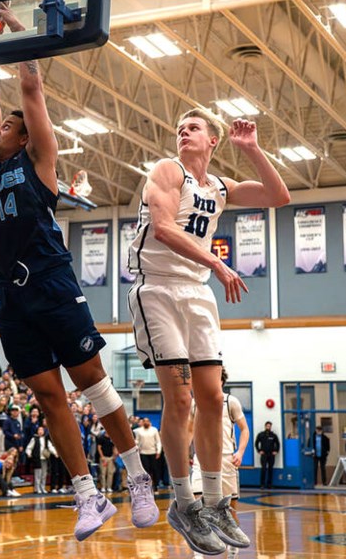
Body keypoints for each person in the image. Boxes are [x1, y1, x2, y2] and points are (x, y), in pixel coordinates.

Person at [0, 6, 158, 542]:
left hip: (52, 283)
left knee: (94, 386)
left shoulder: (40, 162)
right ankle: (87, 495)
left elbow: (30, 92)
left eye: (7, 127)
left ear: (24, 135)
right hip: (10, 298)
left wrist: (12, 28)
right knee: (49, 398)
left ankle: (138, 478)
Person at [127, 109, 289, 555]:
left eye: (193, 127)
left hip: (196, 292)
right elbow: (162, 228)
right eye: (179, 128)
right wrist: (216, 261)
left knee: (213, 398)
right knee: (179, 398)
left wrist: (253, 150)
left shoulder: (218, 186)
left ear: (213, 140)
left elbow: (278, 196)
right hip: (157, 287)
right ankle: (184, 502)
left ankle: (215, 503)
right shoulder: (167, 170)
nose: (183, 132)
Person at [190, 371, 250, 511]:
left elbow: (245, 429)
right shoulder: (195, 403)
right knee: (198, 501)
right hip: (201, 458)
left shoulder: (230, 401)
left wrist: (240, 453)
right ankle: (204, 532)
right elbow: (189, 430)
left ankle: (230, 532)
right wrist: (186, 452)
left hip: (226, 458)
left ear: (221, 381)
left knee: (230, 511)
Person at [255, 422, 279, 490]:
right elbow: (256, 443)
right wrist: (259, 450)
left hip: (271, 454)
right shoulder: (261, 435)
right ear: (265, 426)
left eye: (269, 426)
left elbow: (277, 444)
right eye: (267, 426)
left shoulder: (273, 435)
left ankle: (269, 484)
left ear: (271, 427)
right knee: (263, 469)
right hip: (264, 454)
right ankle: (262, 484)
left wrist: (276, 451)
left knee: (270, 469)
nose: (268, 427)